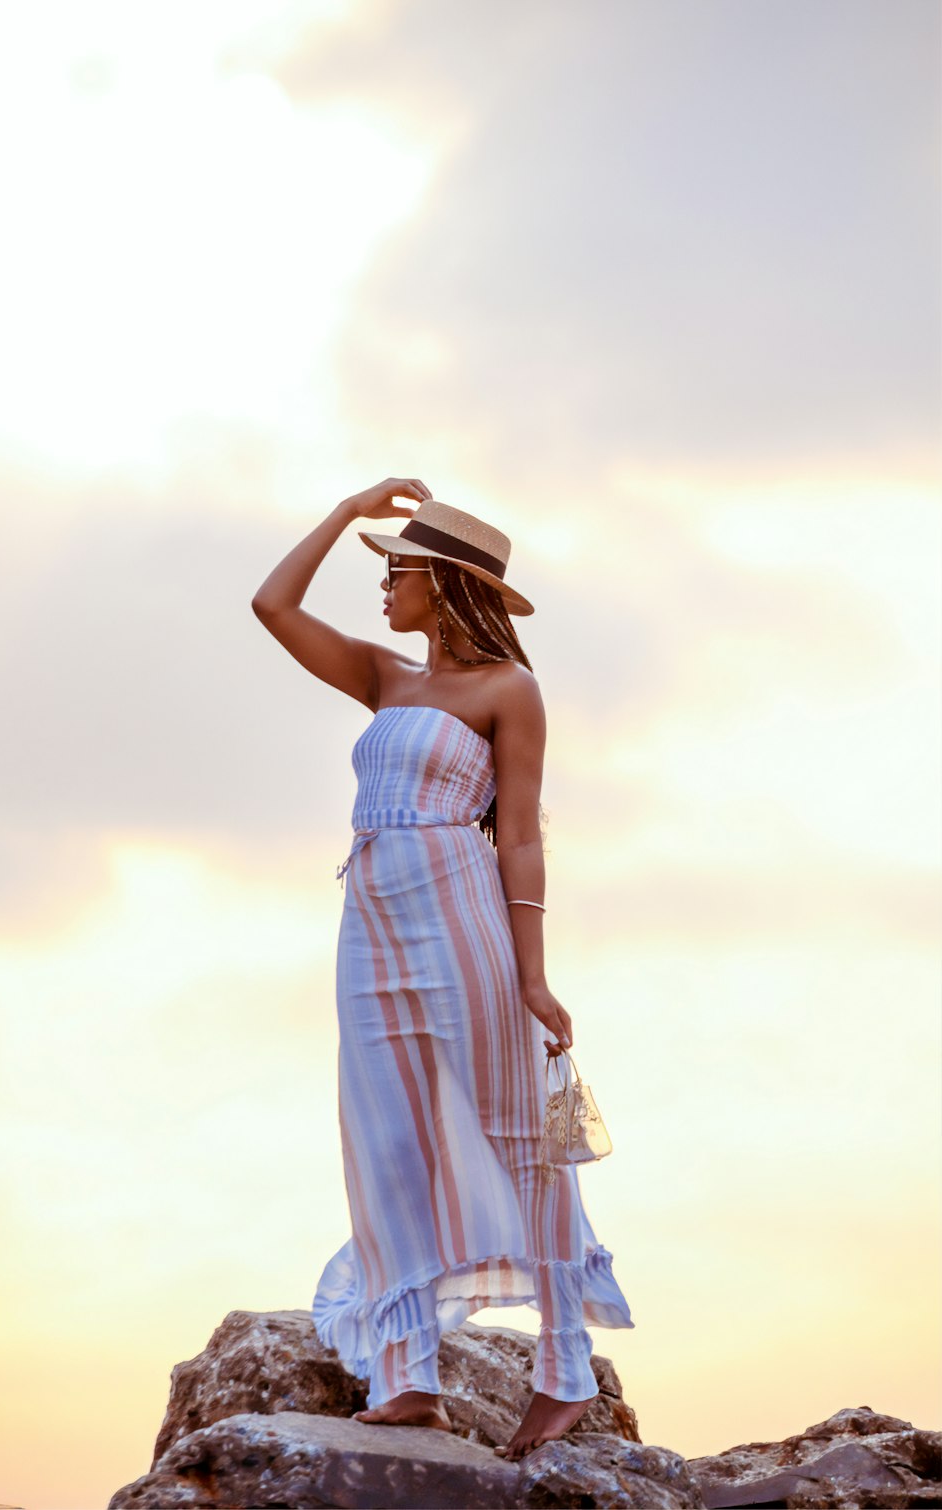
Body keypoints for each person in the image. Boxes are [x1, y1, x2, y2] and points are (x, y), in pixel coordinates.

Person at [251, 477, 634, 1461]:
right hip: (371, 916)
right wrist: (342, 515)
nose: (383, 590)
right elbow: (273, 606)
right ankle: (407, 1374)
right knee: (384, 1134)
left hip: (462, 910)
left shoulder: (508, 691)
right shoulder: (385, 678)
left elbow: (520, 836)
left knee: (506, 1121)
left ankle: (563, 1365)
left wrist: (535, 973)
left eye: (398, 571)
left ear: (445, 585)